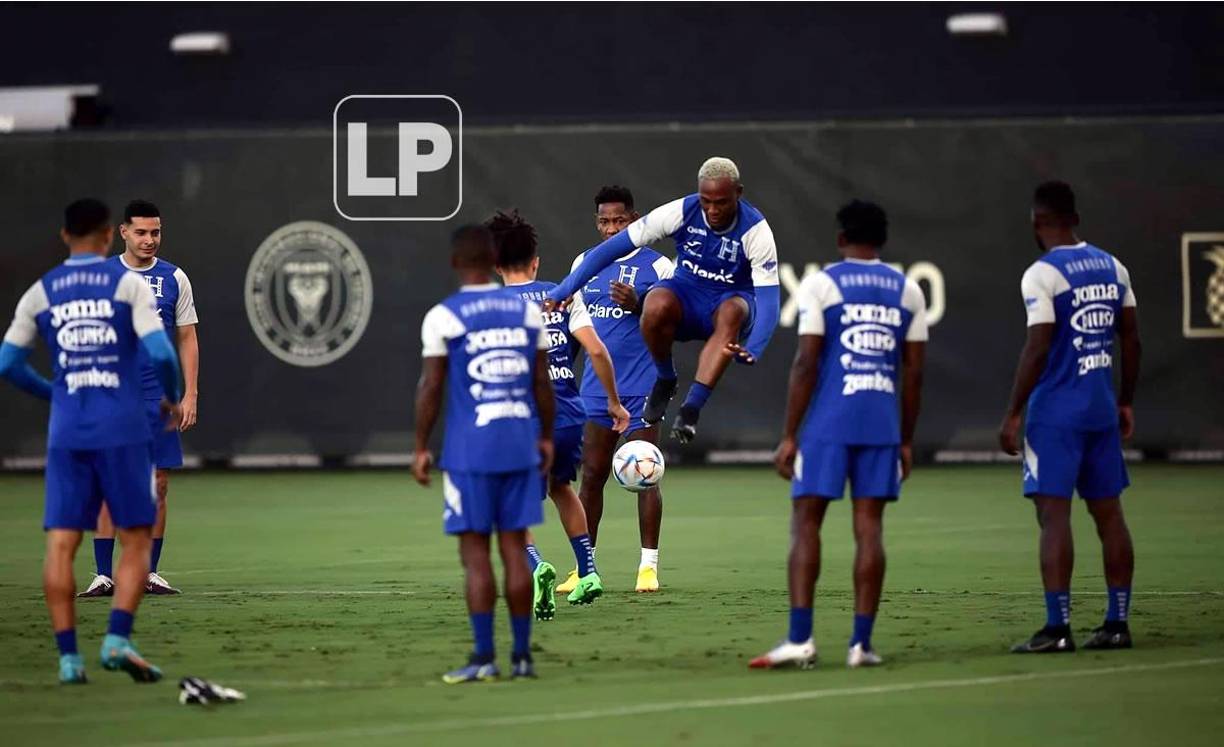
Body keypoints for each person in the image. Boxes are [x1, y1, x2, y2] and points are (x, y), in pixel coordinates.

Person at [0, 198, 182, 684]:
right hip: (122, 426)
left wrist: (54, 392)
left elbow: (7, 363)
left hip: (68, 431)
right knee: (136, 538)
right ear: (107, 235)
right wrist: (171, 396)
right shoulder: (127, 285)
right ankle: (117, 640)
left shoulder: (41, 291)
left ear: (65, 236)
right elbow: (163, 353)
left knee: (61, 544)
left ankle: (68, 659)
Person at [751, 200, 927, 670]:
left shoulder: (822, 284)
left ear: (840, 238)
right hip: (881, 424)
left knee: (806, 522)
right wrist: (905, 440)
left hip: (829, 424)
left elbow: (806, 362)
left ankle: (800, 639)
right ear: (882, 240)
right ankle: (861, 645)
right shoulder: (908, 290)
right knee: (869, 528)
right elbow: (914, 374)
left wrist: (790, 435)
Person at [546, 157, 780, 444]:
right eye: (706, 201)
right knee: (655, 302)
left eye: (721, 202)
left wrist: (755, 346)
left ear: (738, 193)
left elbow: (769, 298)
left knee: (731, 311)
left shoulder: (755, 231)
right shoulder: (681, 211)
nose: (712, 210)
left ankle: (691, 408)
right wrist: (565, 288)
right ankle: (666, 378)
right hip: (689, 299)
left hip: (730, 301)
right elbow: (611, 250)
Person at [999, 181, 1140, 654]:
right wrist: (1125, 401)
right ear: (1075, 219)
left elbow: (1038, 345)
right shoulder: (1113, 267)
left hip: (1056, 414)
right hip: (1100, 406)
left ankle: (1057, 628)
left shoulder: (1042, 274)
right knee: (1109, 514)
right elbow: (1131, 338)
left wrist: (1013, 412)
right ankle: (1117, 623)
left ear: (1036, 223)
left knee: (1054, 515)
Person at [412, 225, 555, 683]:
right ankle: (523, 657)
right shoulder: (526, 312)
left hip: (469, 453)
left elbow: (431, 386)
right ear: (494, 261)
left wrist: (420, 446)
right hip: (520, 444)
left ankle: (484, 657)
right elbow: (542, 382)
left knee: (476, 556)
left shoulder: (443, 316)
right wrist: (545, 437)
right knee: (515, 549)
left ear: (455, 263)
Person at [487, 209, 630, 618]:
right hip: (568, 414)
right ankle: (589, 572)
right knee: (562, 486)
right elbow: (596, 350)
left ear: (496, 265)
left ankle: (537, 568)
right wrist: (614, 402)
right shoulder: (561, 294)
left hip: (521, 418)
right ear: (535, 262)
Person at [80, 200, 199, 598]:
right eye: (142, 232)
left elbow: (187, 337)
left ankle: (149, 572)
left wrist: (190, 393)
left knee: (159, 484)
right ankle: (103, 574)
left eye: (156, 232)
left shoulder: (174, 277)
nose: (150, 240)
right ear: (124, 232)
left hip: (158, 397)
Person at [562, 185, 674, 594]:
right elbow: (576, 327)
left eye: (619, 221)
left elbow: (674, 323)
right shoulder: (584, 263)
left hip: (642, 388)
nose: (611, 229)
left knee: (646, 474)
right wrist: (563, 375)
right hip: (596, 392)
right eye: (605, 221)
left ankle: (648, 567)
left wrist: (640, 304)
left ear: (635, 220)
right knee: (591, 476)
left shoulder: (658, 266)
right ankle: (584, 568)